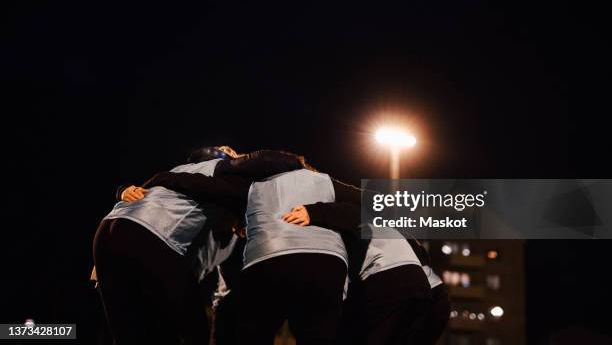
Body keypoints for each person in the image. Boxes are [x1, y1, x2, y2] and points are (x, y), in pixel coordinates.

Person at [94, 147, 304, 344]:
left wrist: (123, 191)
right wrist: (300, 167)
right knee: (193, 330)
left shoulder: (181, 180)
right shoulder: (214, 171)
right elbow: (261, 162)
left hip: (108, 232)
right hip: (148, 235)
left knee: (131, 332)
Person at [282, 180, 449, 345]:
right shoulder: (394, 231)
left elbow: (348, 212)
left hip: (391, 281)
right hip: (427, 294)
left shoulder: (360, 220)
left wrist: (312, 212)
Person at [238, 168, 349, 345]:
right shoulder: (325, 180)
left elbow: (209, 190)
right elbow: (373, 202)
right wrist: (318, 212)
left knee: (251, 332)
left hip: (269, 255)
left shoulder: (254, 181)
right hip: (327, 260)